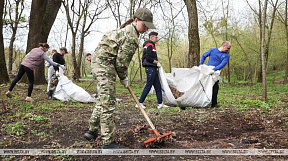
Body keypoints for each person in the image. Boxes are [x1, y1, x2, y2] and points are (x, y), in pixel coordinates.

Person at [84, 8, 155, 149]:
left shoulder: (126, 30)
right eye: (144, 24)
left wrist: (122, 76)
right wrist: (123, 77)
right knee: (108, 102)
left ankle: (92, 131)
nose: (146, 28)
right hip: (105, 64)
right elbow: (121, 63)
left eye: (148, 25)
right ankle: (108, 143)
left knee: (103, 99)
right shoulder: (132, 37)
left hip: (99, 62)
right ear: (136, 20)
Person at [137, 31, 168, 109]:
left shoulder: (151, 45)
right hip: (150, 68)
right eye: (156, 37)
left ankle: (160, 103)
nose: (157, 38)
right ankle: (139, 103)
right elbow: (148, 57)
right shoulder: (150, 45)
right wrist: (155, 62)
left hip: (153, 68)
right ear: (151, 37)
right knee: (148, 85)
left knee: (158, 86)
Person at [199, 41, 231, 108]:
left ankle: (214, 103)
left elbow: (222, 64)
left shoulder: (227, 55)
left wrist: (213, 70)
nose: (228, 50)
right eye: (228, 48)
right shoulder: (212, 50)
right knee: (203, 86)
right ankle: (200, 102)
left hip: (215, 73)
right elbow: (204, 56)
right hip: (207, 71)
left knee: (215, 87)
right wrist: (201, 64)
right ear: (223, 46)